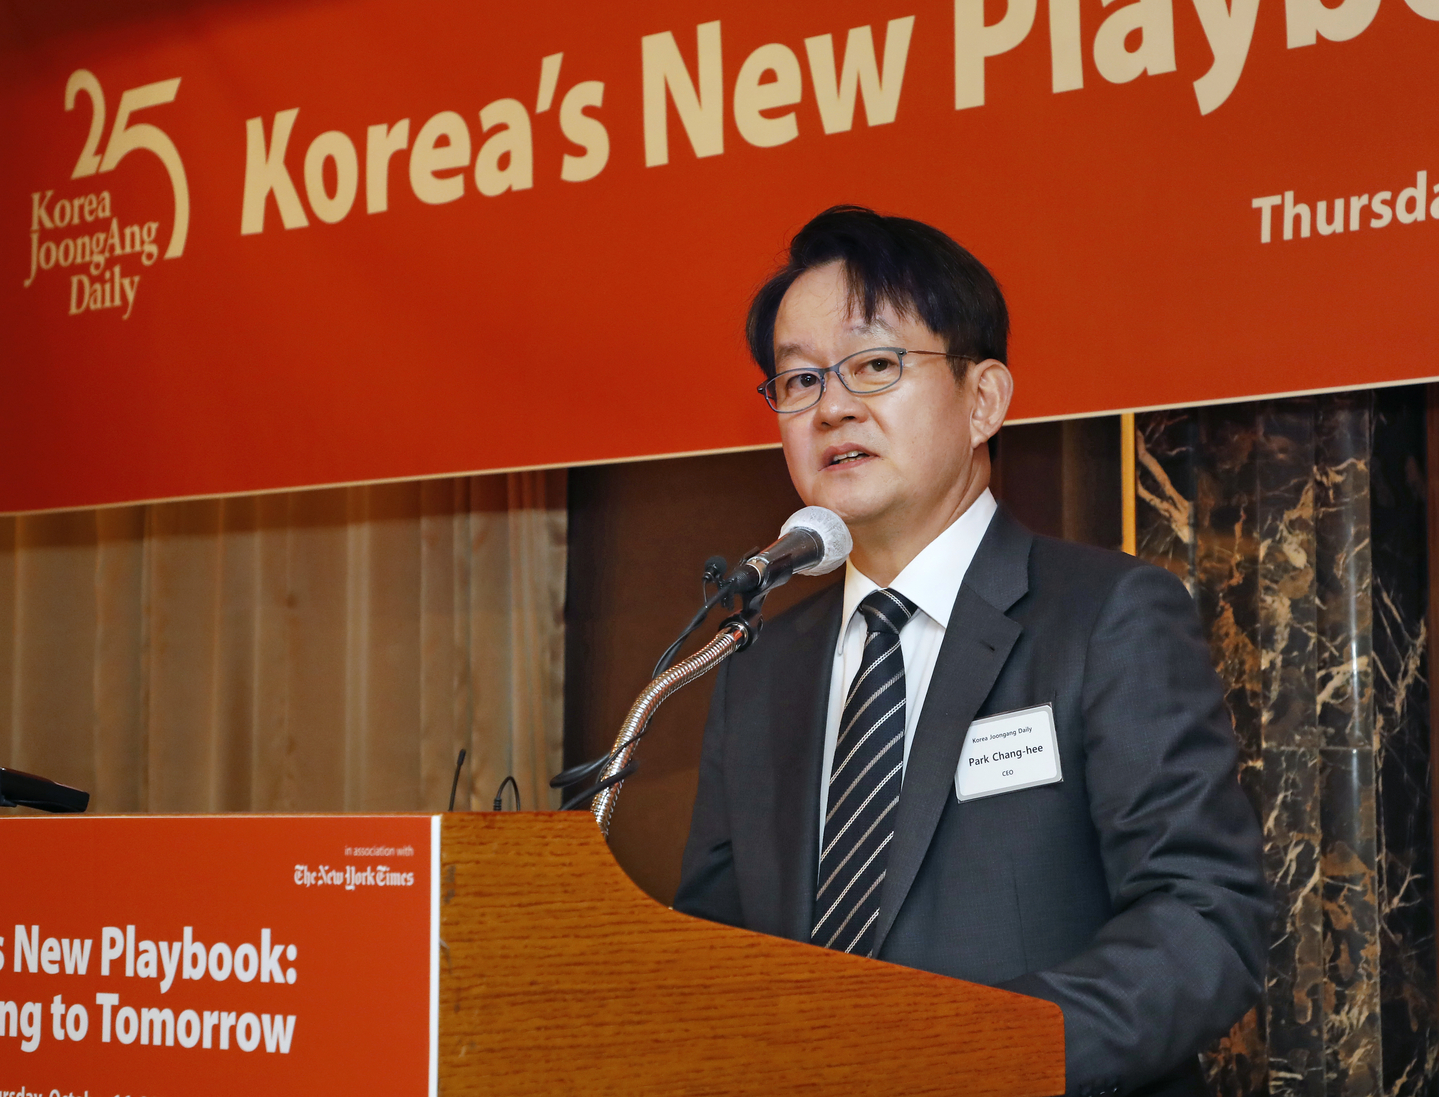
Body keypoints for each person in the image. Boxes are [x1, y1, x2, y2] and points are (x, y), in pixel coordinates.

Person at [672, 206, 1269, 1097]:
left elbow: (1202, 920)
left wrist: (968, 1057)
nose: (832, 405)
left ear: (983, 398)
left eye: (874, 365)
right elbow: (716, 951)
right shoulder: (754, 664)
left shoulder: (1105, 617)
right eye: (797, 381)